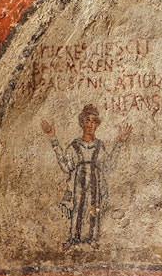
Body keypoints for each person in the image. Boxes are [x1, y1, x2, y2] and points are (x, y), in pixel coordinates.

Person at [41, 104, 132, 246]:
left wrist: (120, 142)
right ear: (82, 123)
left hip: (95, 184)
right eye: (88, 120)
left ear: (97, 125)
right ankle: (73, 239)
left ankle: (92, 238)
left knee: (93, 209)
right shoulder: (75, 145)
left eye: (94, 121)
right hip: (78, 184)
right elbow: (66, 165)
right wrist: (53, 138)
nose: (90, 124)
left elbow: (108, 165)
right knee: (77, 208)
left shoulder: (99, 146)